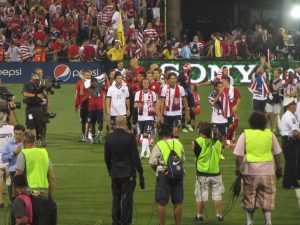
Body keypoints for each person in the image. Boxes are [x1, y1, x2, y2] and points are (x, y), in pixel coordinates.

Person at [234, 112, 282, 225]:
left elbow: (239, 155)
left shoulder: (245, 134)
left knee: (249, 196)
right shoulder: (270, 134)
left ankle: (249, 222)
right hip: (268, 172)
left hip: (249, 172)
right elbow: (277, 154)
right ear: (264, 123)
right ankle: (268, 222)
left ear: (251, 122)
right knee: (267, 196)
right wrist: (279, 168)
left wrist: (237, 169)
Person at [104, 116, 144, 225]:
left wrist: (110, 170)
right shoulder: (129, 137)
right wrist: (140, 173)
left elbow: (107, 158)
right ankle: (125, 222)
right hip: (128, 174)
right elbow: (135, 158)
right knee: (127, 200)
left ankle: (115, 222)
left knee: (116, 198)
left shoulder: (109, 138)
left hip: (115, 173)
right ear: (125, 123)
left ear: (115, 123)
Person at [149, 124, 185, 225]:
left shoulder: (159, 145)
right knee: (177, 202)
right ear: (171, 133)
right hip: (177, 174)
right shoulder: (178, 143)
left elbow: (152, 162)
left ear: (161, 134)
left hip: (163, 174)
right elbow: (182, 160)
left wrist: (157, 171)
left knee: (161, 202)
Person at [193, 121, 224, 222]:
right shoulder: (218, 143)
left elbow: (196, 153)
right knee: (217, 194)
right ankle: (219, 215)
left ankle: (199, 215)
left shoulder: (197, 142)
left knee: (201, 196)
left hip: (202, 173)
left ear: (200, 131)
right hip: (216, 172)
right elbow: (221, 148)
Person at [15, 131, 54, 198]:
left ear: (24, 141)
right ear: (34, 141)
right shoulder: (44, 153)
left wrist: (15, 194)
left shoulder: (23, 154)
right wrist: (50, 196)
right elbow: (51, 177)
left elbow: (18, 176)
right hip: (43, 192)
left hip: (28, 192)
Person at [159, 72, 190, 139]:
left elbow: (185, 101)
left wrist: (187, 113)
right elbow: (162, 102)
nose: (173, 80)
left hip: (177, 114)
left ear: (176, 79)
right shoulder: (164, 89)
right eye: (171, 78)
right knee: (168, 133)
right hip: (167, 114)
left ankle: (176, 148)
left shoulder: (181, 88)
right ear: (168, 80)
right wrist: (161, 115)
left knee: (175, 132)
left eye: (174, 78)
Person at [2, 124, 25, 202]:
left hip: (24, 173)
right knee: (13, 199)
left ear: (23, 134)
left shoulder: (27, 145)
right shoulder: (9, 145)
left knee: (25, 198)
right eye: (16, 134)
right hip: (13, 174)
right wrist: (14, 153)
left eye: (20, 134)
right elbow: (4, 159)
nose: (17, 136)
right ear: (13, 133)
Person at [280, 97, 300, 189]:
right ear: (289, 106)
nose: (295, 106)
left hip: (286, 141)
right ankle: (287, 184)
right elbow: (295, 132)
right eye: (293, 104)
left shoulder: (286, 115)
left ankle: (293, 182)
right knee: (290, 163)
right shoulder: (291, 117)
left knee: (291, 163)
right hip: (291, 142)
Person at [134, 79, 157, 158]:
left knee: (145, 134)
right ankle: (148, 152)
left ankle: (142, 153)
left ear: (149, 84)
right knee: (143, 135)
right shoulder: (138, 93)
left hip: (149, 117)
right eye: (144, 83)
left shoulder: (153, 94)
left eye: (147, 82)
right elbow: (135, 105)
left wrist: (155, 117)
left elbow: (155, 105)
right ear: (142, 84)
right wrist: (138, 105)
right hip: (140, 117)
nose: (146, 84)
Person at [22, 73, 46, 144]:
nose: (36, 81)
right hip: (30, 109)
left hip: (38, 108)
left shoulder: (40, 86)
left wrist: (43, 96)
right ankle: (33, 141)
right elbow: (25, 94)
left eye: (37, 79)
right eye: (35, 79)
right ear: (32, 78)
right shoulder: (27, 85)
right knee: (31, 125)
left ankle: (40, 139)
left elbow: (43, 95)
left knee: (39, 125)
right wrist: (36, 95)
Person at [0, 112, 14, 208]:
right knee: (11, 179)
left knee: (0, 179)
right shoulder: (12, 128)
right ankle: (12, 201)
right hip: (9, 156)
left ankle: (0, 201)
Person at [75, 69, 91, 141]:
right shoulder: (79, 83)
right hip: (83, 105)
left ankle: (88, 135)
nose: (88, 77)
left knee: (89, 121)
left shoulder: (92, 83)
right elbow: (77, 94)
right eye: (86, 75)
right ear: (83, 75)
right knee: (83, 122)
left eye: (89, 75)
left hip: (91, 105)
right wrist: (76, 105)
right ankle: (84, 136)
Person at [88, 77, 105, 144]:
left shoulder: (101, 87)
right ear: (91, 82)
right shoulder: (89, 89)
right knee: (92, 123)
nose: (94, 83)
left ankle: (100, 135)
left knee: (100, 123)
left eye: (95, 82)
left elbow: (108, 85)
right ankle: (93, 137)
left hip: (99, 109)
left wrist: (105, 76)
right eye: (93, 82)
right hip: (91, 109)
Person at [266, 68, 283, 132]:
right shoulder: (271, 80)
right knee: (268, 113)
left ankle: (274, 128)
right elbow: (269, 89)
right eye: (274, 72)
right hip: (270, 98)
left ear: (279, 74)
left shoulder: (280, 82)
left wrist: (271, 84)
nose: (274, 74)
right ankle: (269, 125)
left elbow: (275, 89)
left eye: (276, 73)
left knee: (276, 114)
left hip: (277, 99)